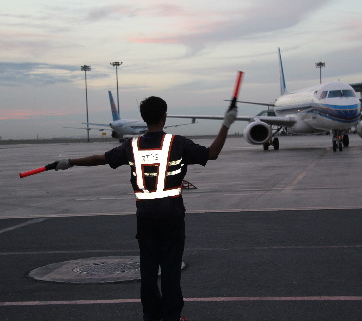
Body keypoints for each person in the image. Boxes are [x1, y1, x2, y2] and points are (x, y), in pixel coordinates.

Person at [52, 96, 238, 321]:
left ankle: (151, 315)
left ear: (143, 117)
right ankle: (171, 316)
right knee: (171, 271)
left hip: (146, 216)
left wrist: (70, 161)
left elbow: (99, 159)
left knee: (148, 271)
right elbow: (212, 153)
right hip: (172, 216)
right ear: (164, 115)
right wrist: (226, 124)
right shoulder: (177, 143)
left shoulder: (132, 146)